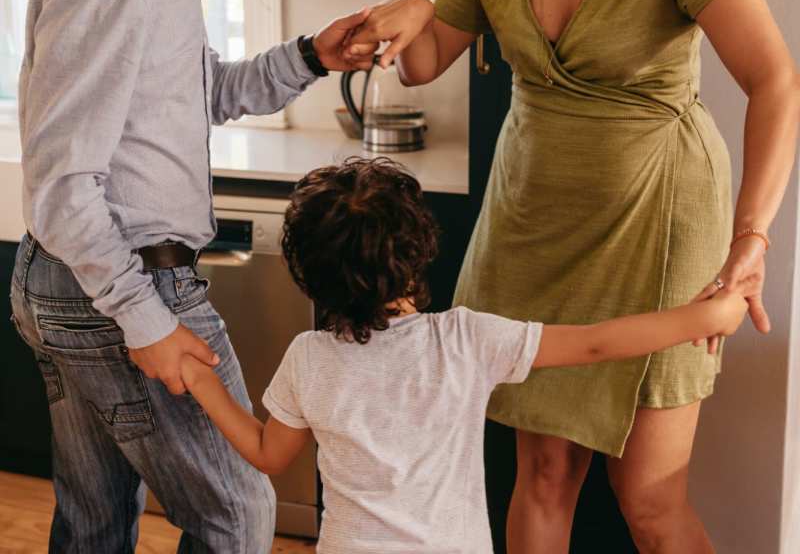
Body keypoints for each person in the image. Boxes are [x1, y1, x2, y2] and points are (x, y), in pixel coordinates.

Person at [345, 0, 800, 552]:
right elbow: (425, 62)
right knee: (544, 472)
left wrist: (752, 237)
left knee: (649, 496)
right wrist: (414, 8)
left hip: (654, 220)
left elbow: (776, 79)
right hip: (533, 219)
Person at [9, 0, 377, 550]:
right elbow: (62, 182)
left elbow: (197, 93)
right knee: (239, 510)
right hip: (121, 282)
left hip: (84, 283)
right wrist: (142, 318)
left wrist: (314, 55)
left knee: (98, 519)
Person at [179, 157, 748, 554]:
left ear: (310, 275)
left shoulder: (309, 358)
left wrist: (202, 381)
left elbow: (267, 454)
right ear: (419, 250)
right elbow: (598, 341)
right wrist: (705, 318)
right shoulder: (465, 341)